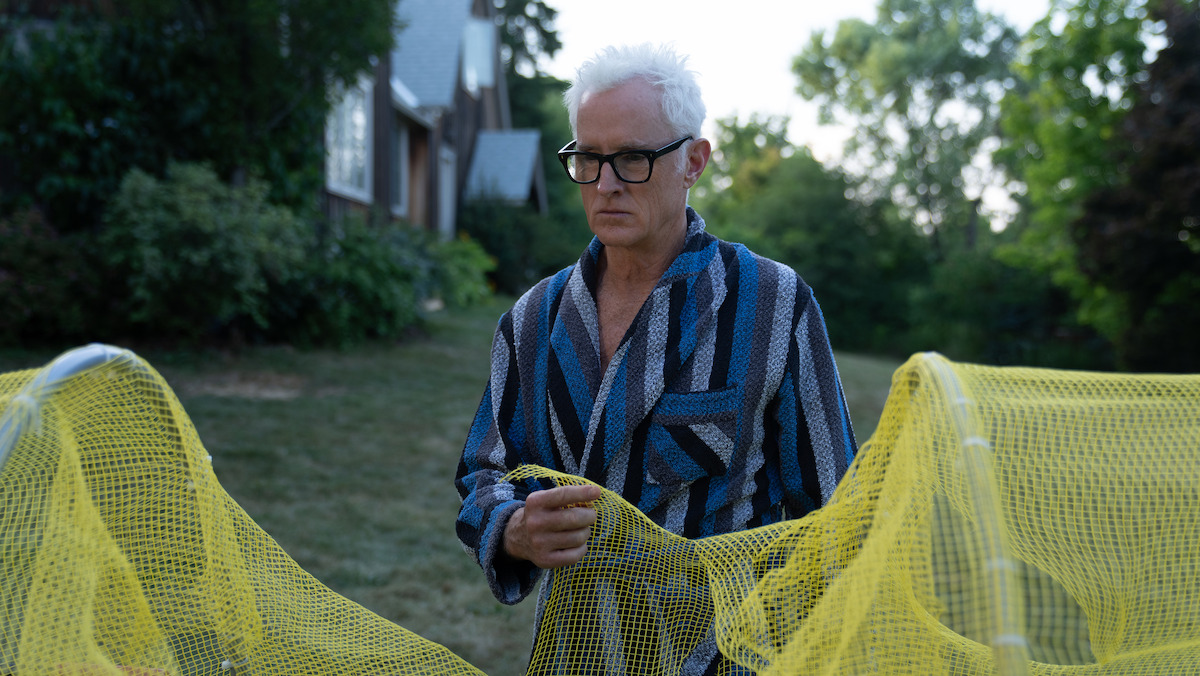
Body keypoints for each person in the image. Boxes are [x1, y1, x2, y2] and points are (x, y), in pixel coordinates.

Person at [455, 43, 857, 671]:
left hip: (724, 658)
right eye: (588, 159)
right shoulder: (533, 319)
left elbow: (832, 515)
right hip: (576, 656)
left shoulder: (772, 304)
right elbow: (484, 472)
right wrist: (511, 530)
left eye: (634, 158)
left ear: (693, 160)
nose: (606, 184)